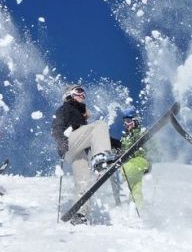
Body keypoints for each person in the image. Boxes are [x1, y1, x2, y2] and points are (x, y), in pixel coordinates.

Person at [52, 84, 116, 225]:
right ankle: (100, 158)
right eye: (79, 91)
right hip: (69, 142)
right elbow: (56, 125)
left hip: (77, 150)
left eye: (84, 92)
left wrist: (117, 144)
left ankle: (80, 213)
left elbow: (93, 135)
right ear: (70, 94)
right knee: (100, 125)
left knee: (83, 180)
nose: (83, 94)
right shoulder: (66, 108)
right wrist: (60, 140)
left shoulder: (81, 115)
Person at [119, 108, 151, 208]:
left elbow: (150, 147)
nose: (126, 124)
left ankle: (119, 175)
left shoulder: (140, 132)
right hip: (134, 164)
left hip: (142, 160)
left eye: (128, 121)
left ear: (135, 121)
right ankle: (138, 207)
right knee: (135, 187)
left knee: (123, 169)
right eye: (125, 122)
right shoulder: (125, 137)